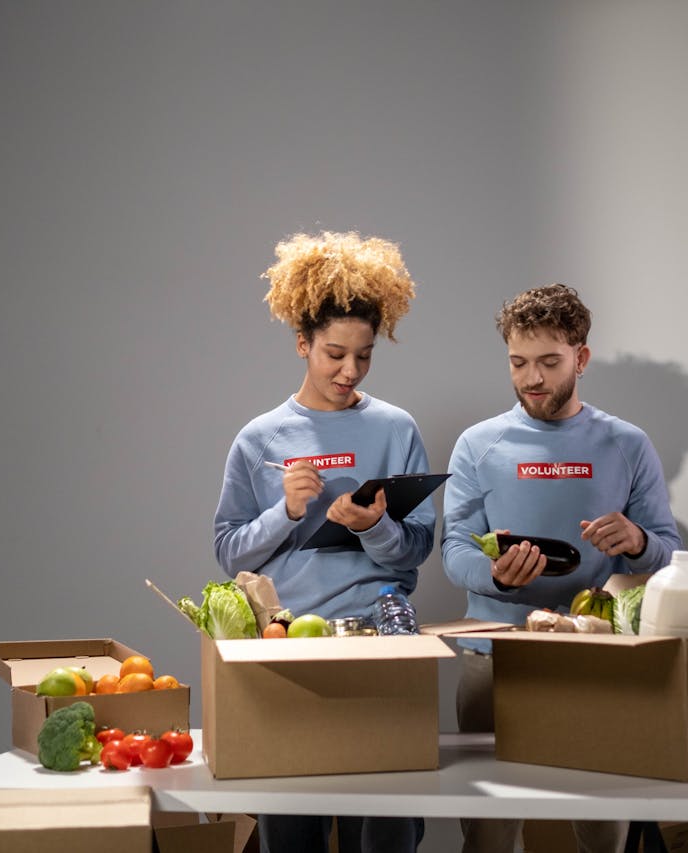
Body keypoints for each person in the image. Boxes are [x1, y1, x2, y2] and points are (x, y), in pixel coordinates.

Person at [441, 283, 681, 853]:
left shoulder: (626, 444)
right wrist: (496, 575)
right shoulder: (478, 445)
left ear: (581, 357)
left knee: (603, 824)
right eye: (518, 363)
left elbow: (669, 552)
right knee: (490, 830)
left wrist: (638, 539)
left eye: (549, 362)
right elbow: (454, 551)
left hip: (594, 657)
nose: (532, 379)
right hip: (494, 655)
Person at [213, 230, 431, 853]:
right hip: (289, 650)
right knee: (292, 828)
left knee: (390, 829)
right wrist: (286, 511)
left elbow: (418, 549)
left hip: (382, 643)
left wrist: (376, 527)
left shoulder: (396, 428)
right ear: (303, 343)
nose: (349, 370)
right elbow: (229, 551)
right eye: (334, 353)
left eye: (364, 356)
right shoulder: (259, 439)